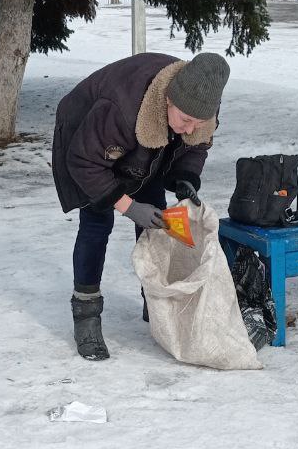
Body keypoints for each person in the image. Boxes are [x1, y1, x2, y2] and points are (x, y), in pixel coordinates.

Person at [52, 51, 231, 360]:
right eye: (186, 120)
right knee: (97, 224)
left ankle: (156, 299)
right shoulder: (120, 107)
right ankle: (86, 314)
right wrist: (128, 206)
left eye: (199, 122)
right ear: (169, 100)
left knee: (158, 221)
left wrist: (185, 178)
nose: (191, 128)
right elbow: (84, 162)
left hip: (142, 147)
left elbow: (195, 145)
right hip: (88, 145)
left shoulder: (200, 105)